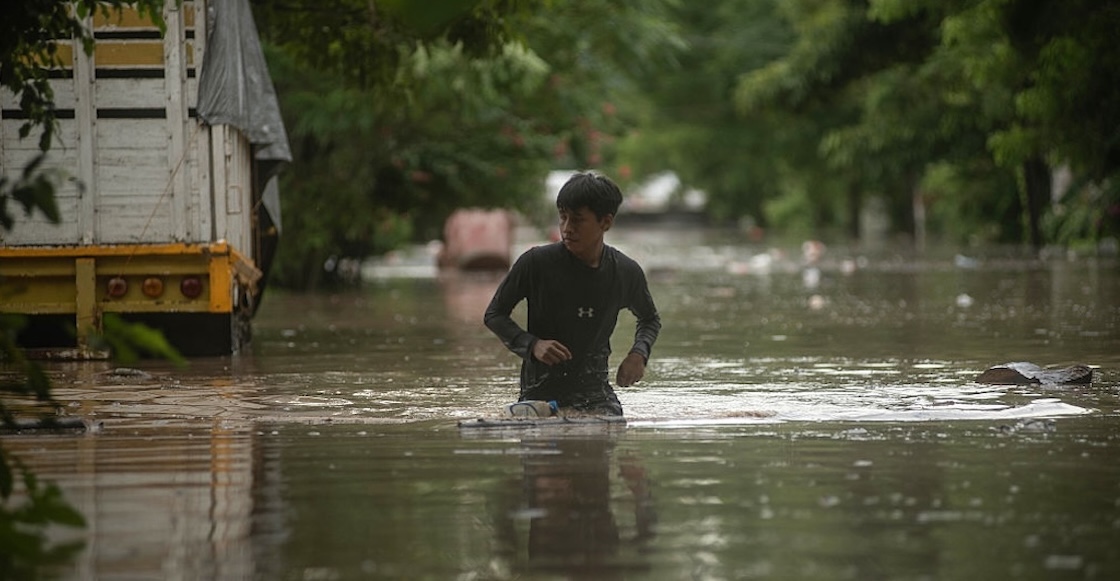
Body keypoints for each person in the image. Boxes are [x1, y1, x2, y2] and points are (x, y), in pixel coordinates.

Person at [483, 172, 661, 416]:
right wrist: (532, 345)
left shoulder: (625, 272)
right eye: (563, 217)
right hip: (539, 394)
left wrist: (639, 353)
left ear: (605, 222)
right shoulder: (536, 263)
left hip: (596, 395)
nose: (567, 228)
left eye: (577, 220)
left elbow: (650, 319)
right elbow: (494, 314)